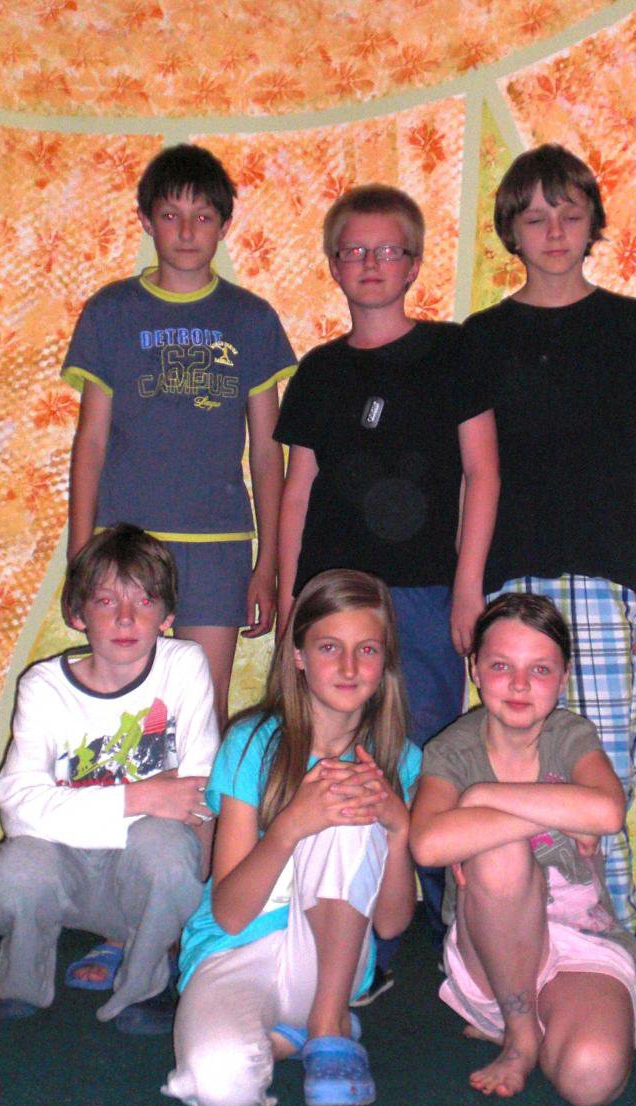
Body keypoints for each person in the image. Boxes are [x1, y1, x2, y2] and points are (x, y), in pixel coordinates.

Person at [275, 184, 499, 985]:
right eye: (355, 250)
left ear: (413, 263)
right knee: (331, 753)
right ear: (334, 264)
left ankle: (454, 926)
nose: (371, 263)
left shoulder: (451, 353)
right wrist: (288, 593)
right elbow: (296, 490)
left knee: (427, 754)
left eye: (388, 250)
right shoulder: (318, 372)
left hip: (425, 595)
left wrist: (468, 587)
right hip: (331, 598)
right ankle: (353, 926)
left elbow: (482, 472)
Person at [464, 144, 636, 931]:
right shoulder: (481, 337)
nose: (553, 231)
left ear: (592, 223)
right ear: (509, 231)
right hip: (510, 579)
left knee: (603, 763)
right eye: (534, 217)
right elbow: (473, 473)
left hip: (603, 573)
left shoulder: (629, 326)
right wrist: (467, 587)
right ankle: (525, 934)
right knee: (514, 759)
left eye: (568, 213)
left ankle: (611, 934)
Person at [163, 569, 419, 1106]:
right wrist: (289, 826)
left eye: (367, 649)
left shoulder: (397, 759)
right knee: (221, 1092)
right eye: (329, 647)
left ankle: (328, 1024)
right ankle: (289, 1037)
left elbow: (392, 923)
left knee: (349, 796)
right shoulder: (252, 743)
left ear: (386, 662)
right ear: (298, 655)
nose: (348, 667)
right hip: (235, 950)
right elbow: (230, 914)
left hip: (329, 962)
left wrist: (399, 832)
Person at [65, 143, 295, 729]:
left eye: (203, 216)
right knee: (126, 706)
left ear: (224, 225)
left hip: (218, 545)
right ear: (146, 221)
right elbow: (90, 444)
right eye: (171, 215)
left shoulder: (251, 319)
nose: (187, 231)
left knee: (203, 712)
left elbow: (268, 454)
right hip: (124, 543)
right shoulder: (111, 312)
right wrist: (78, 556)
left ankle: (203, 800)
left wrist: (268, 564)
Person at [0, 524, 218, 1034]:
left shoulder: (183, 664)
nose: (125, 618)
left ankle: (144, 983)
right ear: (77, 613)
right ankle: (20, 981)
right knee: (14, 871)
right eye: (106, 601)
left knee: (169, 853)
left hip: (139, 868)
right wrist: (144, 796)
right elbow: (17, 804)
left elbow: (197, 793)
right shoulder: (45, 686)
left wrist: (65, 805)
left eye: (144, 601)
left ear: (168, 616)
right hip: (64, 868)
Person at [410, 594, 636, 1104]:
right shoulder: (452, 750)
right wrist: (559, 812)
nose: (520, 684)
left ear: (563, 678)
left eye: (539, 669)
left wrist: (482, 799)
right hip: (493, 955)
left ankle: (563, 1017)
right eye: (501, 666)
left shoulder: (570, 735)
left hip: (581, 939)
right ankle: (519, 1035)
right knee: (500, 853)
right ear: (474, 669)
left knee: (590, 1079)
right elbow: (427, 844)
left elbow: (607, 812)